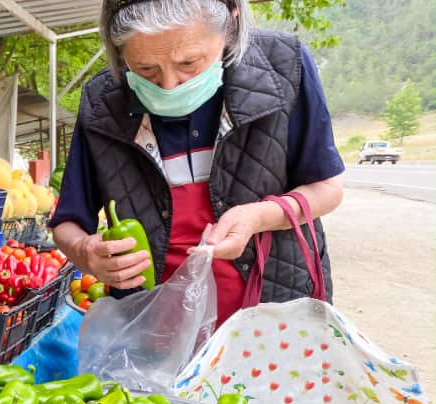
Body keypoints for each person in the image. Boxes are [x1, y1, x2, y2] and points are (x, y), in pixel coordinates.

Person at [50, 0, 344, 326]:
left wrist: (258, 217)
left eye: (189, 63)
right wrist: (85, 253)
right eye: (145, 69)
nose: (169, 85)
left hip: (272, 321)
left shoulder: (282, 67)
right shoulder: (102, 102)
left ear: (231, 24)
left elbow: (327, 189)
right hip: (154, 330)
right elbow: (67, 224)